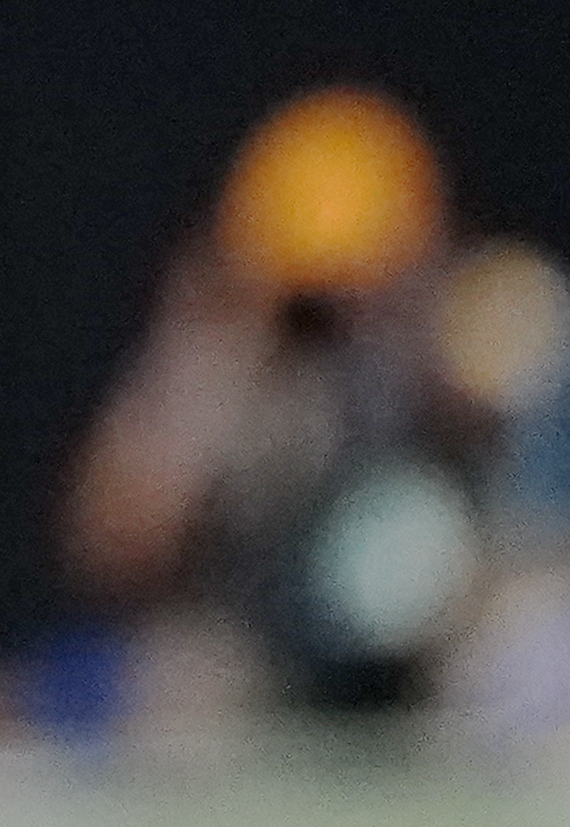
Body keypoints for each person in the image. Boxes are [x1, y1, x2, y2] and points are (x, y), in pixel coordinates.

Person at [57, 85, 569, 743]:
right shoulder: (245, 365)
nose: (347, 318)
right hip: (279, 660)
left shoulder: (489, 331)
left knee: (537, 651)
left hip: (447, 649)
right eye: (320, 296)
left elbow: (542, 538)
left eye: (367, 282)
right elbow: (108, 551)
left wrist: (466, 387)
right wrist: (203, 364)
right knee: (176, 688)